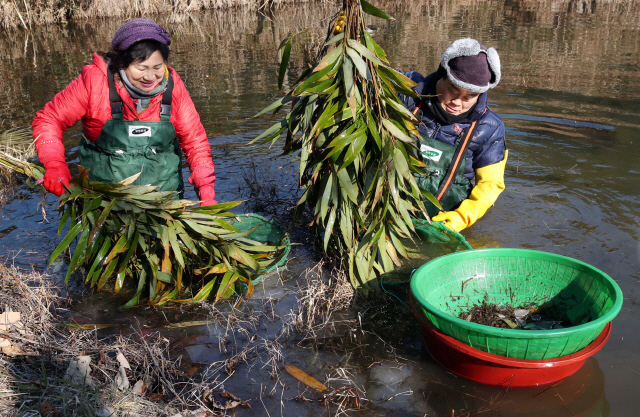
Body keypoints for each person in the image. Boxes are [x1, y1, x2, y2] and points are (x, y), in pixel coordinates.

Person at [32, 19, 217, 205]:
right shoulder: (94, 82)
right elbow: (49, 120)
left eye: (157, 67)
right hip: (105, 205)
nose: (150, 77)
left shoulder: (173, 87)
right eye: (141, 67)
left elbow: (195, 143)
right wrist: (55, 164)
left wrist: (206, 192)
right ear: (122, 62)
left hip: (165, 207)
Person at [399, 38, 507, 232]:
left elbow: (491, 183)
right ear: (442, 76)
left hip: (442, 222)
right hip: (388, 211)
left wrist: (464, 216)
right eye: (452, 91)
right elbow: (364, 77)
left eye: (468, 97)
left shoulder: (489, 128)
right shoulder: (408, 92)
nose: (457, 102)